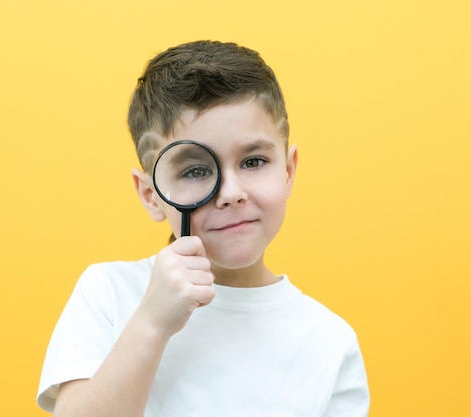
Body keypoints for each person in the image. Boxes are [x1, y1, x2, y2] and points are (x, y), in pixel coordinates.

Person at [37, 40, 370, 417]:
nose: (230, 193)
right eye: (196, 171)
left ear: (289, 171)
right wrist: (151, 323)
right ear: (151, 195)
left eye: (254, 161)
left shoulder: (329, 341)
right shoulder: (110, 294)